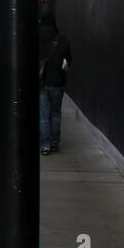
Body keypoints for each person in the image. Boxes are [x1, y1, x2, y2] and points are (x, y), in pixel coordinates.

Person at [38, 12, 72, 155]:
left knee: (44, 115)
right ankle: (55, 143)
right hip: (58, 82)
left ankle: (45, 145)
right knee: (56, 113)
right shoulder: (62, 40)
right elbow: (69, 60)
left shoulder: (37, 39)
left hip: (42, 82)